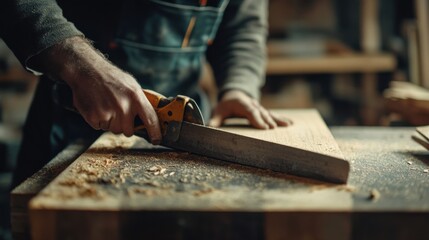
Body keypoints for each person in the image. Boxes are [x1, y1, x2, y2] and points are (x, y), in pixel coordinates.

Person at [0, 0, 290, 188]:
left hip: (183, 132)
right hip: (70, 125)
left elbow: (243, 24)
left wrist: (239, 86)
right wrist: (78, 62)